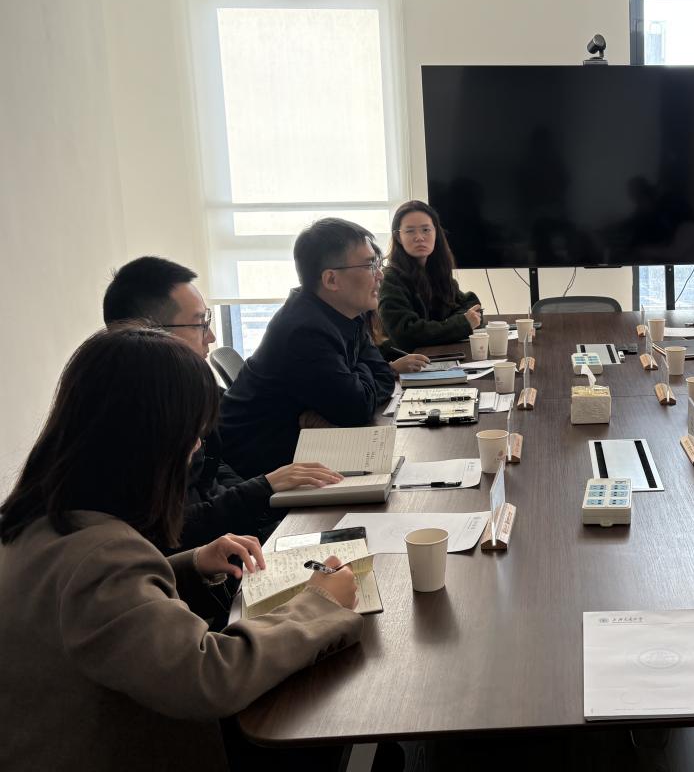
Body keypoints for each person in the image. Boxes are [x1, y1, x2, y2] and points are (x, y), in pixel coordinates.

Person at [0, 327, 363, 772]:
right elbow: (209, 677)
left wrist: (187, 566)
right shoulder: (101, 558)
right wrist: (319, 604)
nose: (195, 449)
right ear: (151, 442)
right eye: (192, 434)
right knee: (325, 736)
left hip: (47, 760)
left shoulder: (37, 523)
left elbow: (84, 613)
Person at [102, 256, 345, 551]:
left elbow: (214, 470)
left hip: (237, 534)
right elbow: (171, 532)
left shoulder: (191, 392)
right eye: (199, 324)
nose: (211, 336)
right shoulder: (127, 421)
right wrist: (262, 490)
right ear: (149, 334)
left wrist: (268, 496)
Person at [217, 218, 411, 478]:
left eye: (377, 264)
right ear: (331, 279)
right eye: (369, 265)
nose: (379, 275)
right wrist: (361, 377)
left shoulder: (345, 314)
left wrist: (357, 378)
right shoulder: (304, 330)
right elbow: (357, 408)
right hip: (261, 471)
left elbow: (383, 377)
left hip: (305, 452)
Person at [379, 200, 483, 350]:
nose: (419, 237)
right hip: (405, 361)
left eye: (426, 230)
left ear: (436, 233)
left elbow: (470, 305)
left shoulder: (435, 272)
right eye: (410, 231)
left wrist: (460, 322)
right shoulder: (390, 279)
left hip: (437, 355)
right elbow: (405, 334)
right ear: (398, 237)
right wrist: (461, 324)